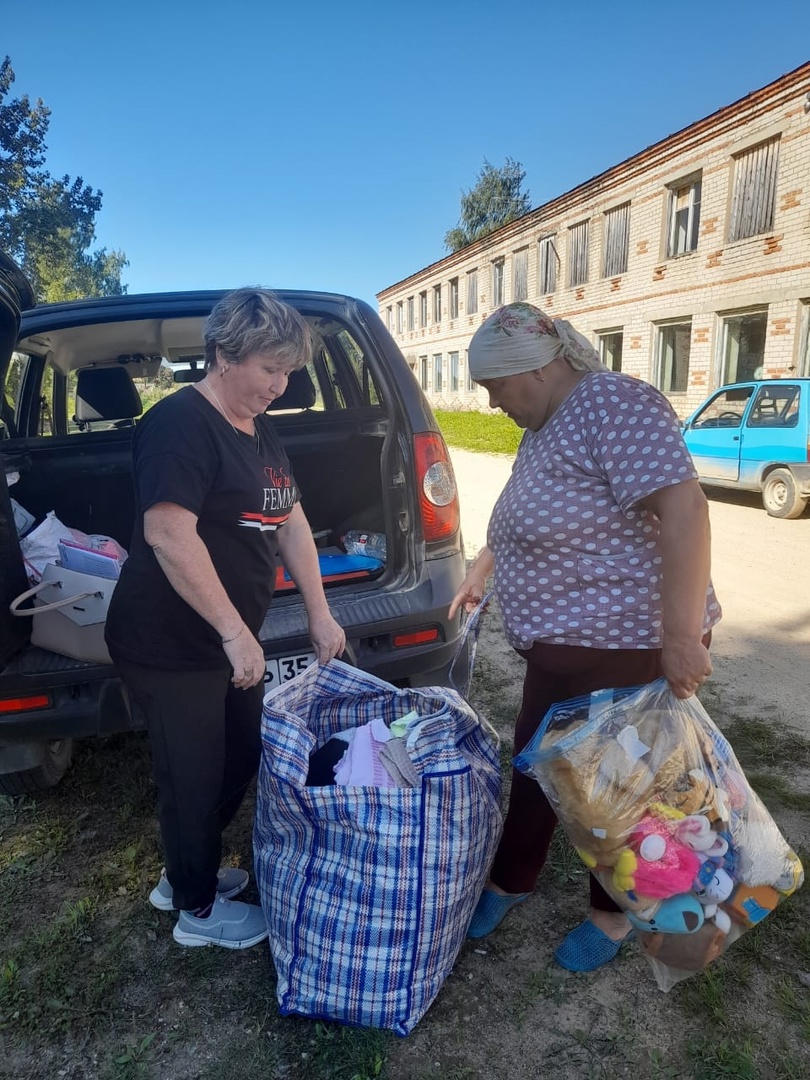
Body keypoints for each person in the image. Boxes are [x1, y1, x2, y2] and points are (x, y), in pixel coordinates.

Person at [449, 302, 721, 972]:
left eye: (495, 387)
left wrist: (682, 636)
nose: (492, 403)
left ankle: (611, 914)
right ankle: (513, 878)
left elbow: (684, 507)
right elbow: (520, 517)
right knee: (540, 761)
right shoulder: (543, 426)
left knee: (615, 787)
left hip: (625, 642)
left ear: (536, 369)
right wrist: (486, 568)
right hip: (562, 648)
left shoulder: (615, 404)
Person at [106, 288, 346, 949]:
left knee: (241, 753)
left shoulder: (257, 426)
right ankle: (197, 913)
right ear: (221, 355)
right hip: (169, 640)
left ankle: (186, 873)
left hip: (225, 641)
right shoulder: (180, 423)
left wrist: (319, 614)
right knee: (193, 773)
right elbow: (168, 534)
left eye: (288, 369)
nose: (280, 384)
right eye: (269, 368)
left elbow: (289, 516)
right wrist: (236, 632)